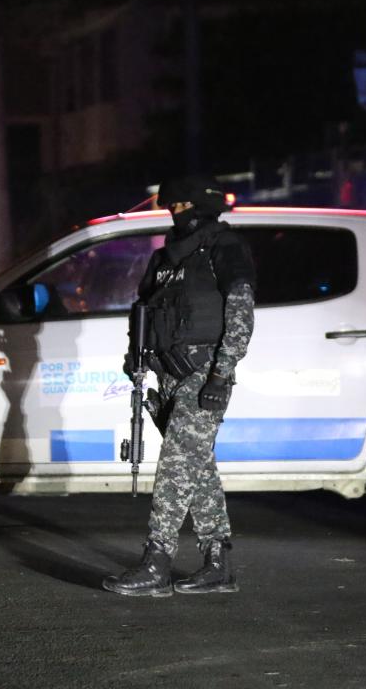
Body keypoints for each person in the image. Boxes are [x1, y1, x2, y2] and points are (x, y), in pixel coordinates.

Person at [103, 176, 256, 597]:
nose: (176, 212)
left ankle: (157, 563)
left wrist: (222, 375)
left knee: (174, 466)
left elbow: (241, 315)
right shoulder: (166, 257)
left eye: (184, 204)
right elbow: (145, 311)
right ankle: (217, 564)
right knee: (197, 468)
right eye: (172, 205)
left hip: (204, 373)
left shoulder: (224, 248)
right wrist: (137, 357)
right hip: (168, 375)